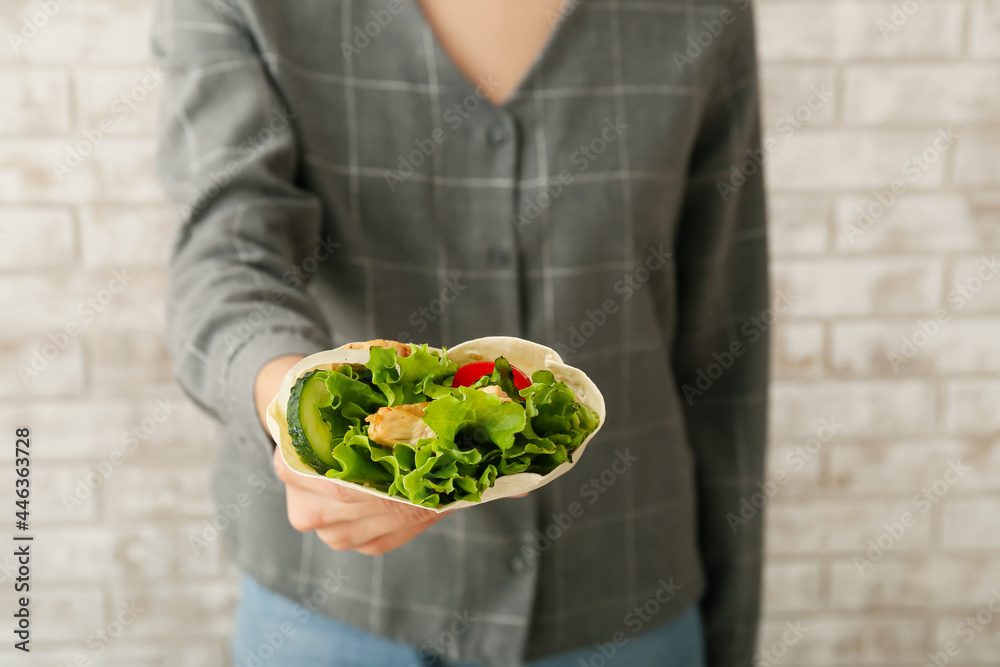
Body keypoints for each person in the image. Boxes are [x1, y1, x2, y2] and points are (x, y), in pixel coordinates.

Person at [153, 0, 769, 665]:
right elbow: (226, 248)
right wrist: (292, 403)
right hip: (336, 616)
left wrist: (729, 633)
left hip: (623, 595)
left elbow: (724, 337)